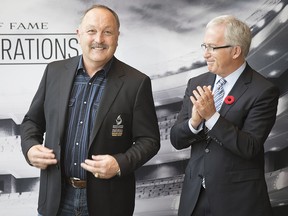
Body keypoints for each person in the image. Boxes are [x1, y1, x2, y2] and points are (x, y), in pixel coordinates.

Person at [20, 4, 160, 216]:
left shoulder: (136, 83)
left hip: (109, 203)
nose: (99, 39)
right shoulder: (54, 71)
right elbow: (32, 121)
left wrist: (120, 163)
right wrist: (30, 148)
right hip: (56, 199)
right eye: (91, 31)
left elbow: (149, 140)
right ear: (79, 34)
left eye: (107, 32)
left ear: (117, 37)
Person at [170, 15, 279, 216]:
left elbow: (250, 147)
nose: (205, 54)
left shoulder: (263, 90)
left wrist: (212, 117)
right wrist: (194, 122)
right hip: (194, 198)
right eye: (204, 46)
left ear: (235, 50)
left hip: (238, 201)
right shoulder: (196, 83)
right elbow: (176, 139)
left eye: (212, 47)